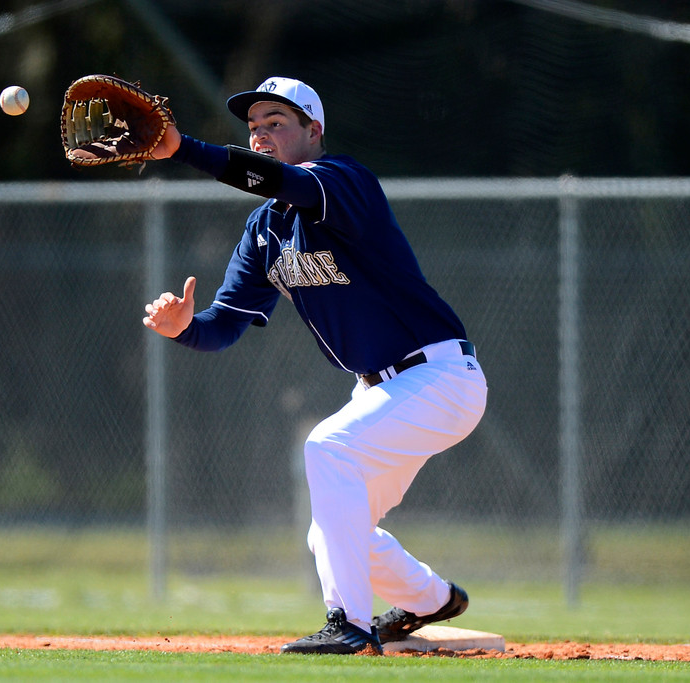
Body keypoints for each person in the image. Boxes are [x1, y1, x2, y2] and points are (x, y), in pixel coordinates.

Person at [142, 77, 488, 655]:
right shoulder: (266, 230)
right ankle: (433, 600)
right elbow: (225, 323)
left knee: (327, 448)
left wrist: (182, 149)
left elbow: (278, 180)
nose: (261, 136)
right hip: (382, 389)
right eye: (253, 128)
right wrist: (184, 329)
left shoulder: (343, 183)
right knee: (331, 531)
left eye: (276, 123)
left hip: (440, 377)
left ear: (313, 130)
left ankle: (347, 623)